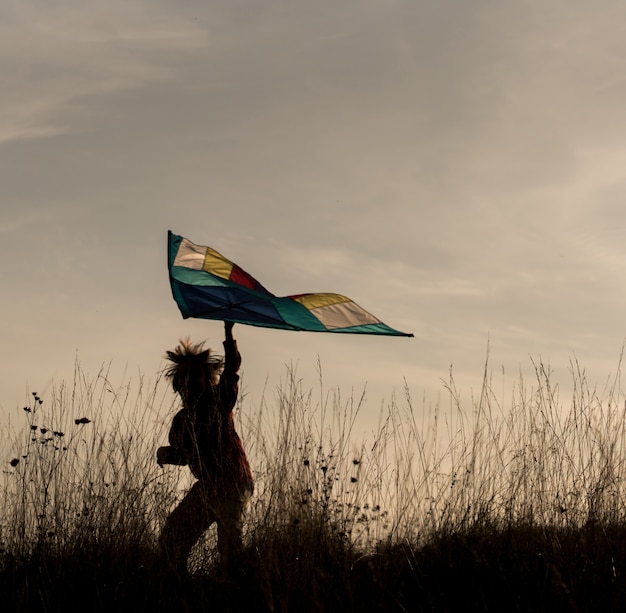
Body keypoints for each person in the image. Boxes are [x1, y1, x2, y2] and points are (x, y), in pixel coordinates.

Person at [157, 321, 253, 574]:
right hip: (208, 486)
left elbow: (231, 370)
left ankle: (238, 588)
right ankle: (175, 589)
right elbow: (184, 455)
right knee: (172, 537)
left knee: (229, 547)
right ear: (177, 383)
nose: (189, 381)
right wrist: (166, 454)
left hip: (233, 481)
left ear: (208, 380)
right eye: (184, 376)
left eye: (196, 375)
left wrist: (228, 334)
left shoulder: (217, 400)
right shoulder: (181, 421)